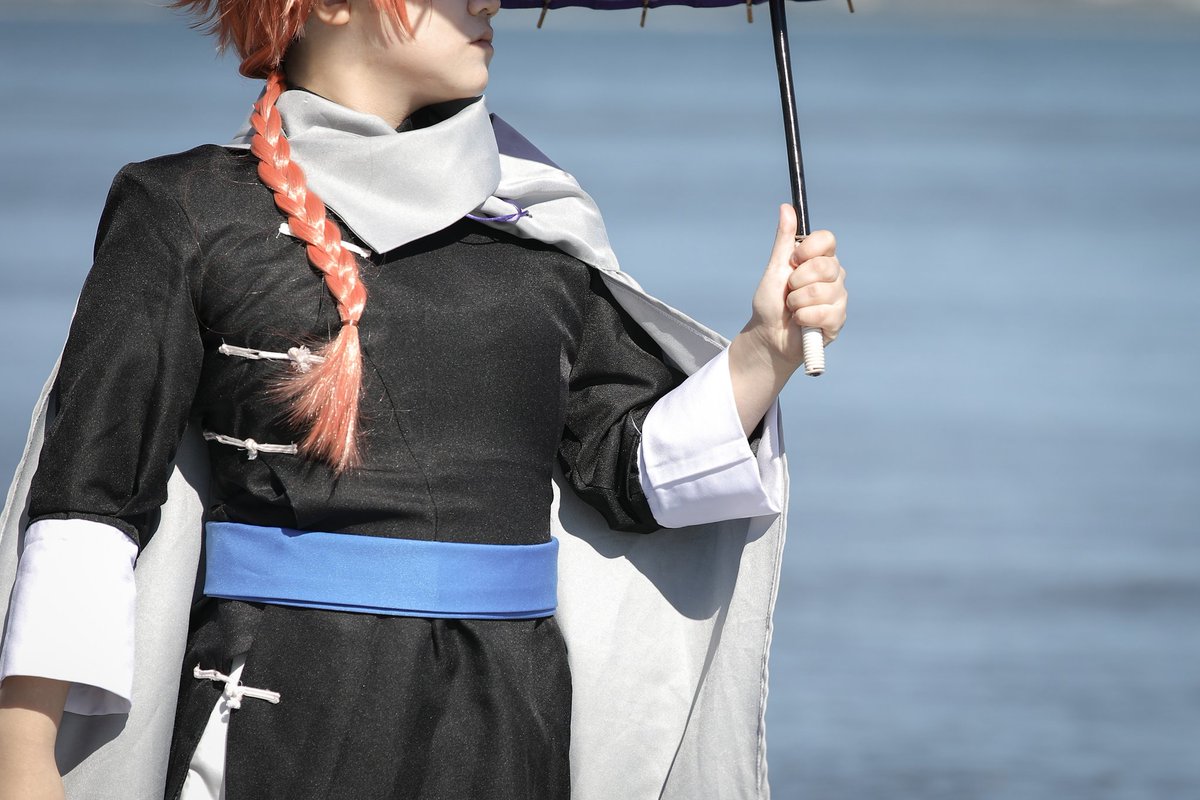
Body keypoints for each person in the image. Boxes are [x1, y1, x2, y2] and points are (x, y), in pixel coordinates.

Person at [0, 0, 848, 798]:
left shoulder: (536, 228)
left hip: (507, 727)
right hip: (273, 726)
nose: (490, 2)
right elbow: (89, 503)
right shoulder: (185, 209)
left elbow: (629, 476)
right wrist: (23, 756)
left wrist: (760, 353)